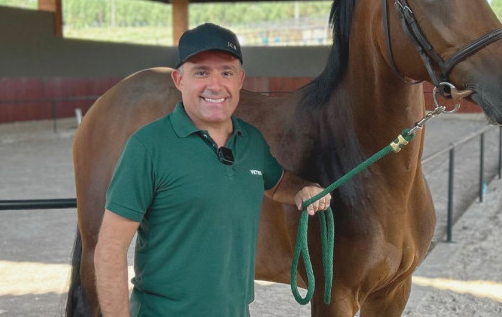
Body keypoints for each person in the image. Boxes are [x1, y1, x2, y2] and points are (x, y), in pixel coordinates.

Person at [94, 23, 331, 317]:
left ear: (240, 79)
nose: (215, 85)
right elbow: (109, 250)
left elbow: (278, 183)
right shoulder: (147, 147)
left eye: (226, 72)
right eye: (201, 72)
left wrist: (303, 188)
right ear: (179, 80)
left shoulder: (252, 142)